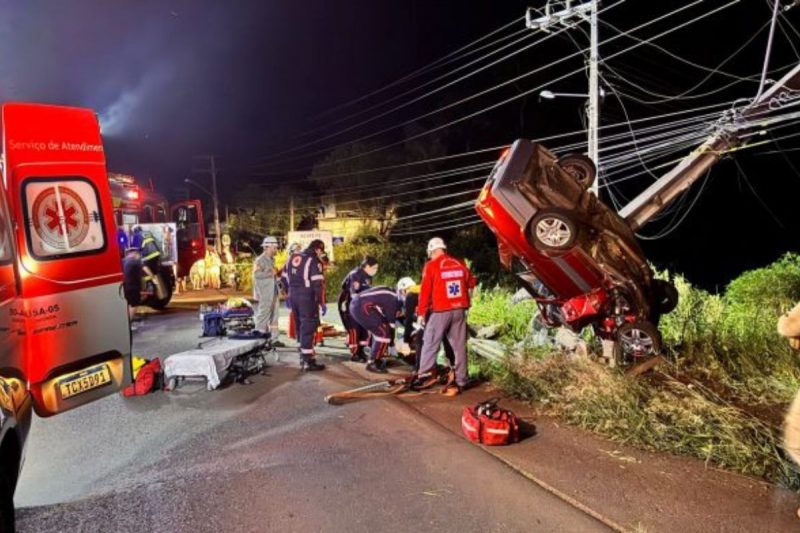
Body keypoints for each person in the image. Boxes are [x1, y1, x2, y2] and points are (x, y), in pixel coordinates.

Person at [415, 237, 476, 397]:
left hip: (441, 311)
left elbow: (425, 291)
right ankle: (462, 380)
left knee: (430, 342)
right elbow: (471, 283)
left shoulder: (432, 266)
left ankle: (426, 376)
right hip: (459, 310)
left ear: (432, 251)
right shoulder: (459, 264)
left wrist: (421, 313)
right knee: (459, 346)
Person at [396, 276, 455, 370]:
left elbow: (408, 320)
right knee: (445, 339)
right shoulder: (423, 288)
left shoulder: (411, 295)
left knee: (421, 338)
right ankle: (454, 366)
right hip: (448, 313)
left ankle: (420, 369)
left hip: (434, 317)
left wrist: (406, 341)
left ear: (404, 290)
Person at [286, 239, 327, 371]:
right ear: (318, 249)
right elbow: (318, 285)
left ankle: (302, 354)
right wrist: (322, 302)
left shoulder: (292, 257)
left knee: (299, 326)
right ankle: (308, 360)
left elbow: (283, 278)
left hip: (293, 295)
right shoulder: (314, 260)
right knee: (308, 326)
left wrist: (288, 294)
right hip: (307, 297)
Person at [350, 286, 400, 374]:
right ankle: (372, 362)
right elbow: (391, 324)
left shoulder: (390, 294)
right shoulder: (393, 299)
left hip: (359, 304)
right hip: (361, 306)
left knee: (381, 330)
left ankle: (377, 358)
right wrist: (392, 344)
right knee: (383, 332)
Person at [338, 256, 379, 362]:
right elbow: (353, 294)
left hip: (362, 305)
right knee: (354, 329)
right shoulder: (355, 274)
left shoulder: (368, 276)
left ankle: (361, 351)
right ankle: (355, 353)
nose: (375, 270)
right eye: (374, 267)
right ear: (367, 266)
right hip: (352, 305)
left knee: (363, 328)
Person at [253, 236, 279, 339]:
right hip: (265, 292)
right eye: (275, 247)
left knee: (274, 315)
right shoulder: (260, 260)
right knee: (264, 313)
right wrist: (270, 273)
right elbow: (257, 275)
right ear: (269, 247)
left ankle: (273, 338)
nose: (276, 249)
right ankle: (259, 334)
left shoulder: (272, 259)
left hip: (273, 291)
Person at [122, 247, 144, 322]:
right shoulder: (135, 262)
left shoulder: (123, 261)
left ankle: (126, 322)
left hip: (125, 286)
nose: (139, 255)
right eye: (137, 253)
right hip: (133, 287)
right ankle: (128, 323)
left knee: (129, 304)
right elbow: (143, 271)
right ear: (134, 253)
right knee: (134, 305)